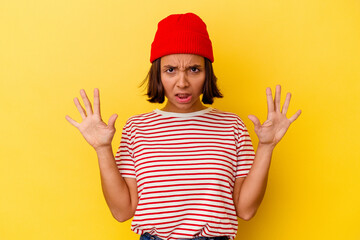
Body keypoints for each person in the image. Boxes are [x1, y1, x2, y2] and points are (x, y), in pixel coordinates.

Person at [65, 12, 301, 240]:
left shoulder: (232, 126)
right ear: (158, 74)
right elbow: (122, 211)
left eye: (194, 69)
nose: (182, 82)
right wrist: (102, 149)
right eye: (170, 70)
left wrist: (267, 146)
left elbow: (246, 210)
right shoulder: (137, 128)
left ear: (207, 73)